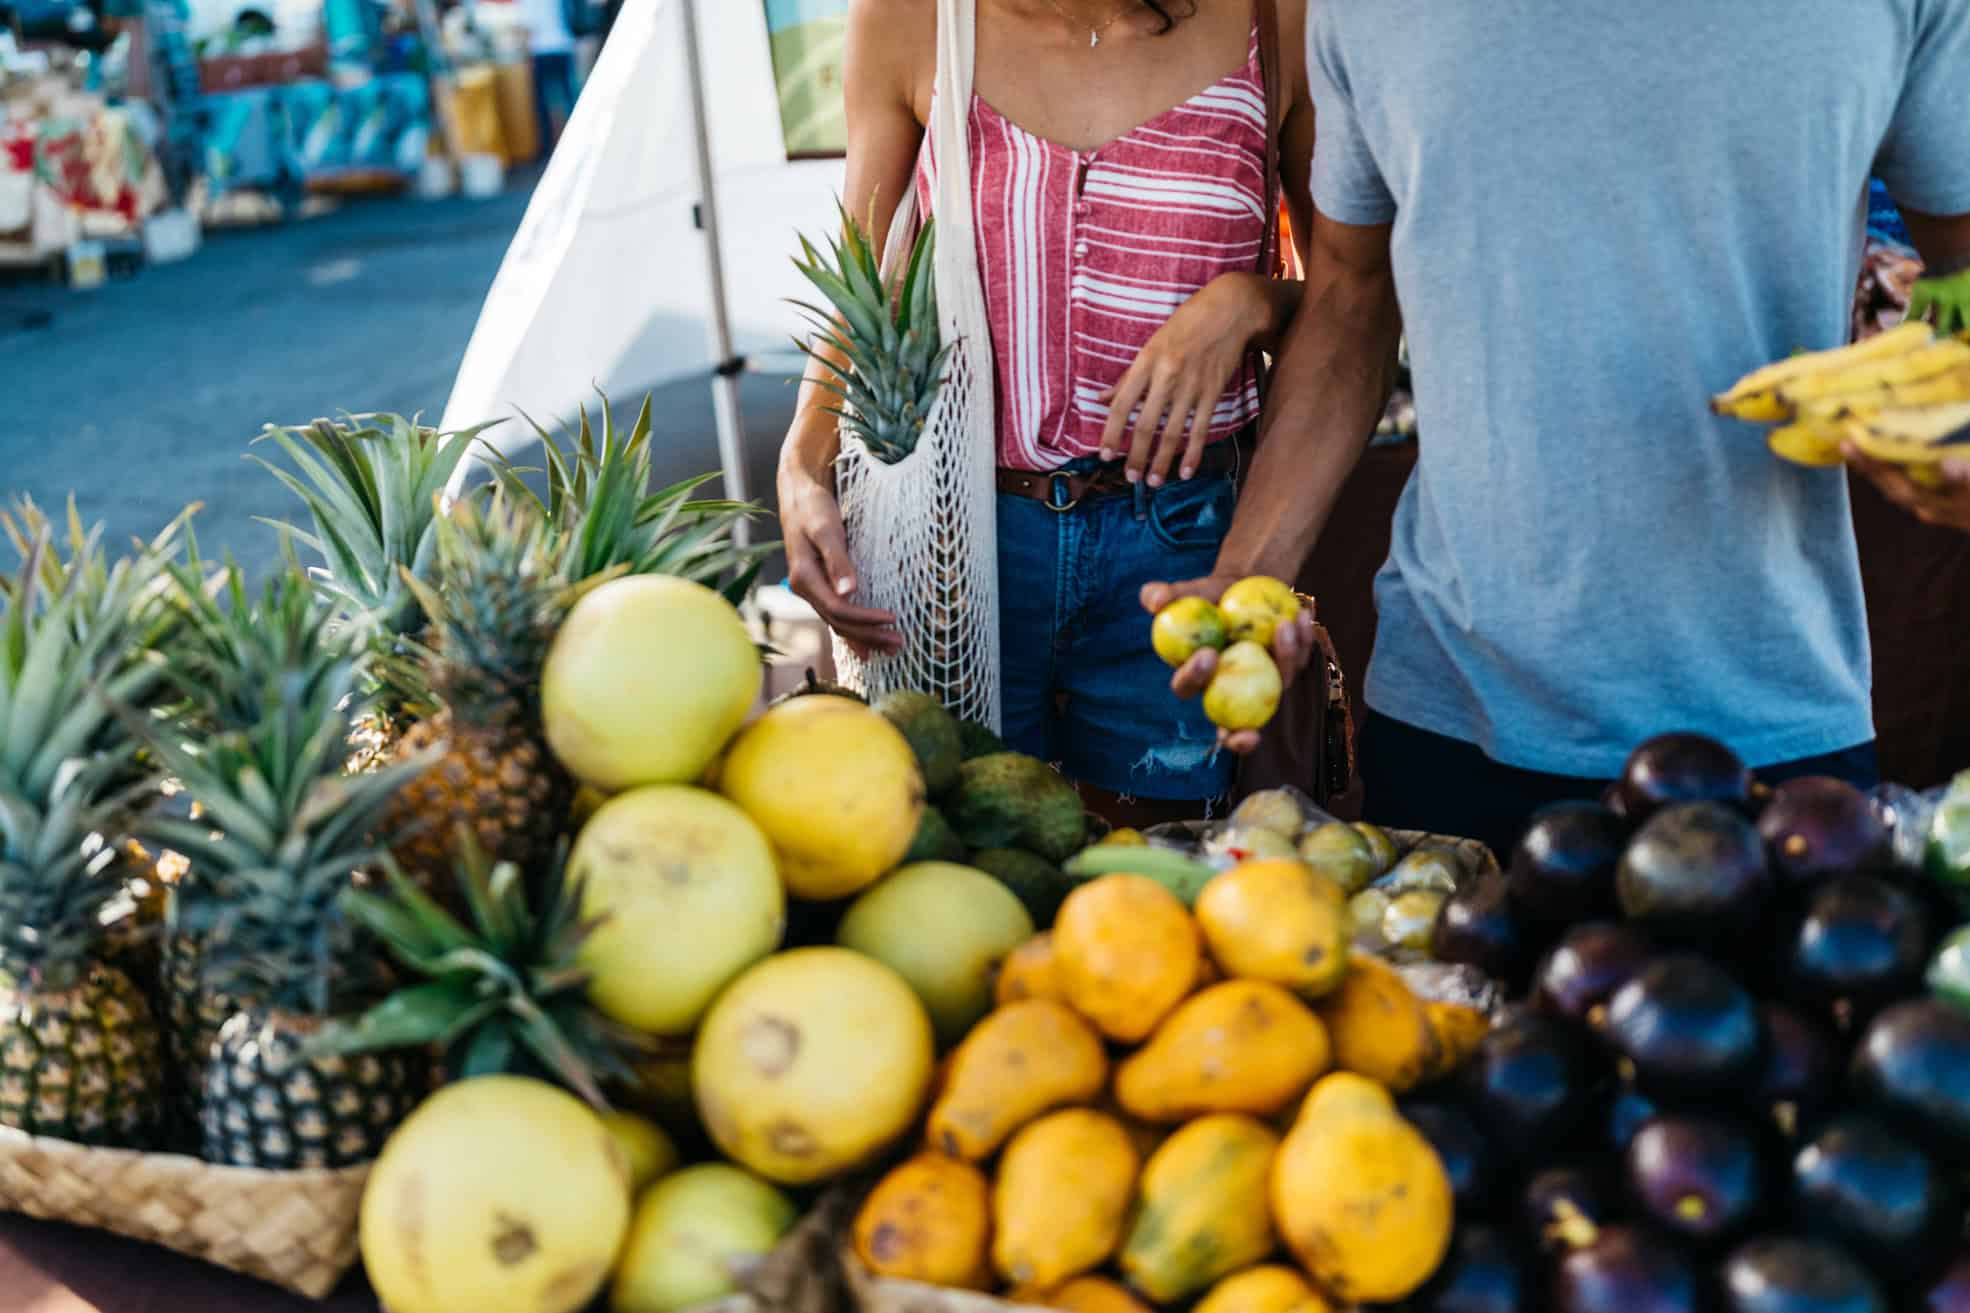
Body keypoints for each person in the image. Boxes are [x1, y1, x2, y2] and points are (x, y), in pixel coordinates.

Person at [1147, 2, 1970, 857]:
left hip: (1778, 709)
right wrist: (1247, 579)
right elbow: (1348, 297)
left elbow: (1964, 263)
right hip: (1457, 713)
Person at [779, 0, 1319, 825]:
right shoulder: (912, 16)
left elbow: (1355, 302)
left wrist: (1255, 301)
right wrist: (800, 464)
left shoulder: (1278, 20)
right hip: (961, 550)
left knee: (1160, 889)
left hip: (1186, 552)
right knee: (967, 879)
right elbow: (861, 278)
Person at [516, 0, 577, 148]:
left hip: (541, 50)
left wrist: (525, 55)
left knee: (543, 103)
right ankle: (576, 137)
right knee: (568, 97)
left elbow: (527, 27)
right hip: (564, 46)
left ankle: (548, 146)